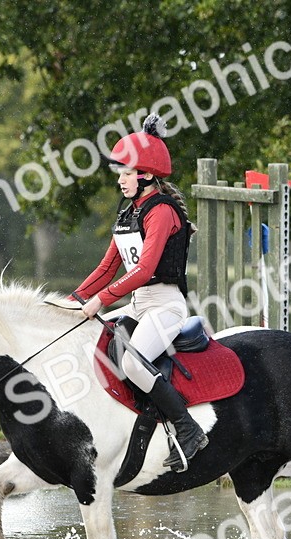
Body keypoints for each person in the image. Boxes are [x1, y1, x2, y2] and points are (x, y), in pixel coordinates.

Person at [73, 113, 208, 472]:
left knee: (133, 362)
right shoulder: (128, 214)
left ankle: (188, 428)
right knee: (99, 348)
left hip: (166, 307)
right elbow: (107, 269)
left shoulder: (160, 212)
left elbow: (145, 270)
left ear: (146, 175)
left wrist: (101, 299)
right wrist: (73, 300)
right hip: (137, 305)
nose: (120, 179)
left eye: (126, 173)